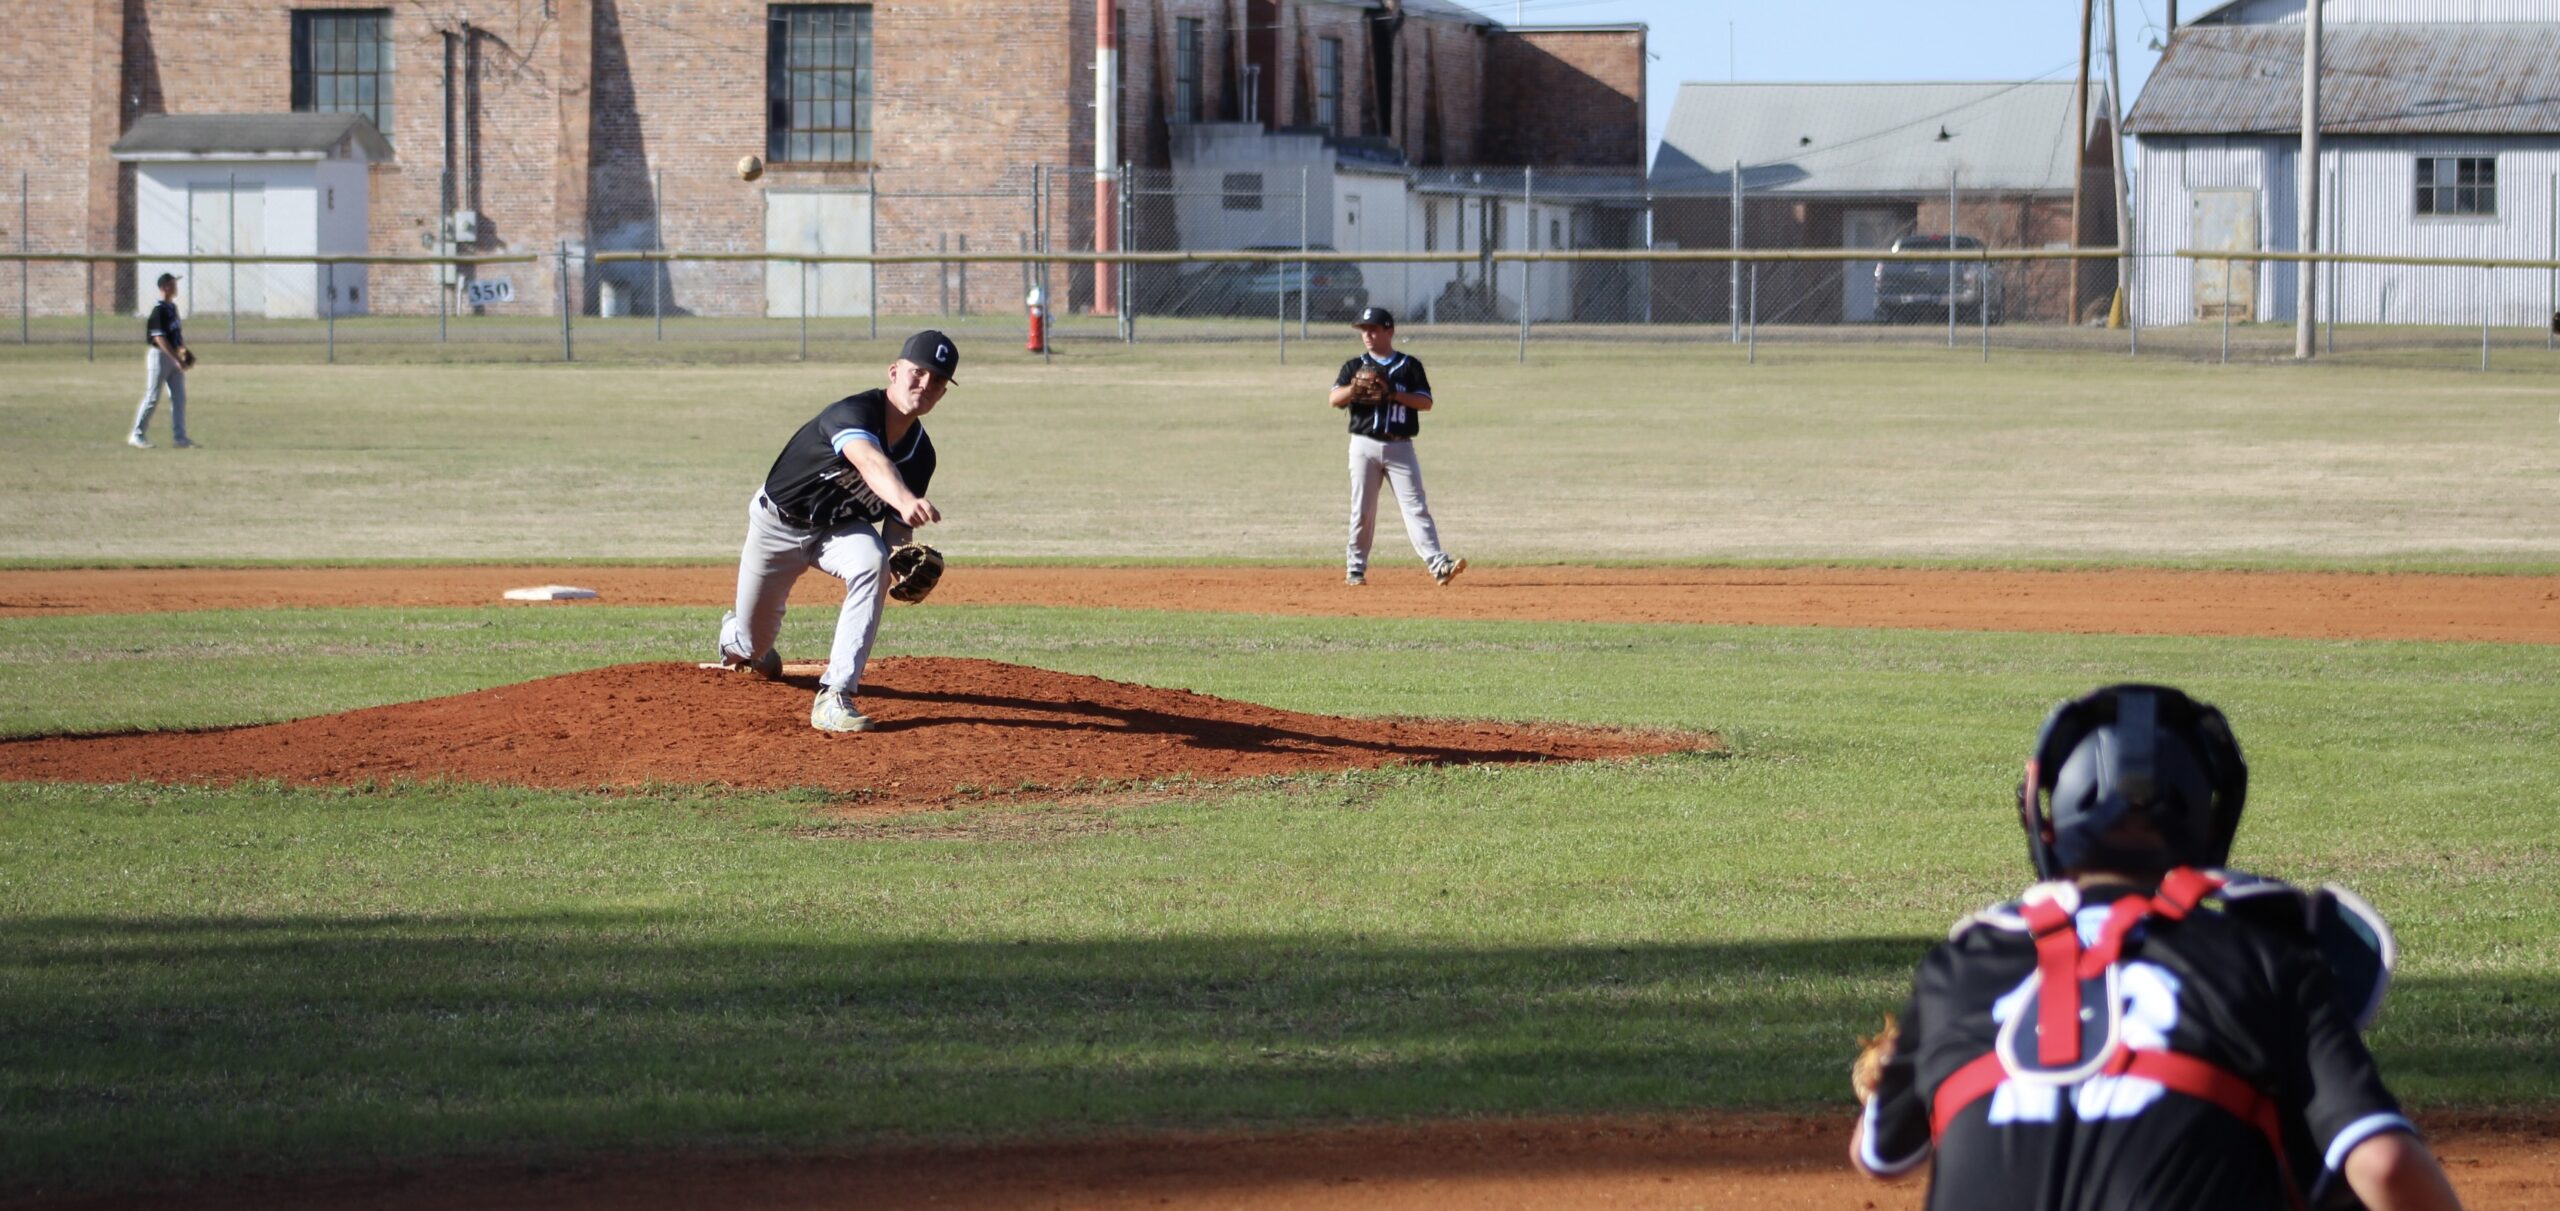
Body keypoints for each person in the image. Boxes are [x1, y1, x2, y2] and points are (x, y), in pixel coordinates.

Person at [1851, 683, 2465, 1211]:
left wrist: (1911, 1062)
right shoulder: (2269, 955)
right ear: (2209, 818)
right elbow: (2384, 1166)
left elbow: (1879, 1154)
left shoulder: (1960, 966)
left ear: (2049, 821)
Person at [717, 330, 954, 733]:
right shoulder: (851, 413)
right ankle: (735, 640)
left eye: (937, 380)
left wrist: (899, 566)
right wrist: (903, 498)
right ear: (894, 372)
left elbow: (896, 536)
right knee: (754, 647)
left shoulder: (921, 455)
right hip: (778, 525)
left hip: (840, 530)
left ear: (943, 393)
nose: (925, 384)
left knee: (873, 563)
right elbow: (868, 461)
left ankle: (835, 695)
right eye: (918, 372)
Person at [1328, 307, 1462, 587]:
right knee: (1362, 510)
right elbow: (1334, 399)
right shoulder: (1354, 367)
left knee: (1416, 507)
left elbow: (1425, 402)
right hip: (1363, 445)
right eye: (1364, 330)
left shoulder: (1409, 366)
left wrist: (1394, 394)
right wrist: (1354, 389)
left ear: (1389, 331)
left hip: (1401, 447)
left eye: (1373, 329)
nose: (1368, 334)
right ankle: (1355, 569)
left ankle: (1438, 564)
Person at [129, 272, 194, 449]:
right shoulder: (158, 310)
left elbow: (175, 336)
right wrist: (176, 359)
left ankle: (180, 438)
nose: (176, 287)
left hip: (173, 357)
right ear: (165, 287)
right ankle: (137, 435)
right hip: (159, 357)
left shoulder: (172, 308)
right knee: (152, 397)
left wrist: (184, 354)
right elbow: (160, 338)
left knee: (179, 398)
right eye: (173, 284)